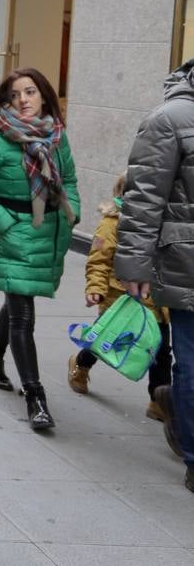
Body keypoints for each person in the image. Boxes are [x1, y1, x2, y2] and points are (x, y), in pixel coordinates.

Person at [0, 67, 79, 431]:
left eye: (30, 92)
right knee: (23, 315)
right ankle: (36, 397)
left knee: (18, 299)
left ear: (44, 95)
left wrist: (72, 212)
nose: (23, 100)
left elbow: (69, 179)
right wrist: (7, 224)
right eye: (15, 94)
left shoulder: (56, 136)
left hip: (46, 230)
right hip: (12, 232)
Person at [114, 57, 194, 492]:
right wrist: (134, 265)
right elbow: (143, 199)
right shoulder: (169, 120)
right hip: (187, 262)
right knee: (193, 361)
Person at [69, 176, 176, 434]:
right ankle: (80, 364)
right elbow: (98, 261)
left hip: (158, 304)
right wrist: (95, 288)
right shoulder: (113, 223)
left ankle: (157, 399)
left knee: (161, 351)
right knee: (104, 343)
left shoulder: (164, 224)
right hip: (121, 300)